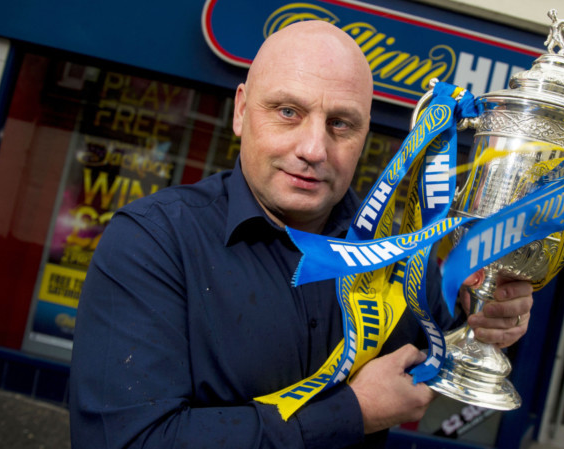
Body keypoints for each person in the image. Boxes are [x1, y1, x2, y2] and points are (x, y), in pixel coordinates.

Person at [69, 20, 533, 449]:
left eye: (341, 124)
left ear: (365, 135)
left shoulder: (401, 259)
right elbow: (127, 442)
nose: (313, 149)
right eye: (288, 111)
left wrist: (492, 313)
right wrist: (354, 412)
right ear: (241, 111)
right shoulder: (152, 242)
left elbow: (470, 333)